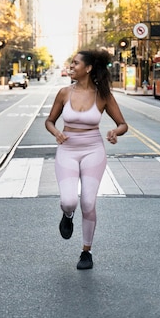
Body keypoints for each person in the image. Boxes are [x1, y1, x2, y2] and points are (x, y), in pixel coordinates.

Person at [45, 49, 128, 270]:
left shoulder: (103, 95)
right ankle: (67, 214)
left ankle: (86, 251)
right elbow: (50, 121)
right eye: (71, 64)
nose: (71, 67)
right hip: (67, 151)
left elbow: (123, 124)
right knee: (69, 201)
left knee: (89, 203)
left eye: (75, 64)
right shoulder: (64, 93)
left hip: (93, 150)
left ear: (88, 68)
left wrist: (114, 132)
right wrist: (56, 133)